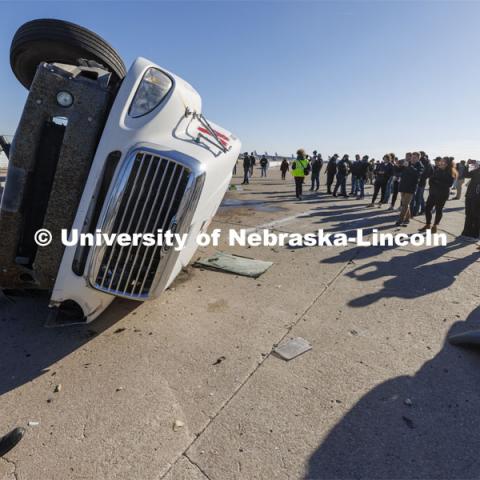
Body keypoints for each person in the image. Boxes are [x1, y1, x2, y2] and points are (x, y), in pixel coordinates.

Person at [418, 157, 456, 234]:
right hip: (433, 193)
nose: (441, 163)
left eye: (443, 162)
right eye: (441, 162)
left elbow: (448, 184)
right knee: (427, 208)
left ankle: (435, 226)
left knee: (439, 210)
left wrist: (436, 181)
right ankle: (428, 224)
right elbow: (431, 180)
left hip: (442, 194)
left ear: (447, 164)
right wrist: (435, 182)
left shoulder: (450, 172)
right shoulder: (437, 170)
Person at [396, 151, 423, 226]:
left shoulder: (420, 165)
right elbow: (399, 171)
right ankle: (407, 218)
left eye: (414, 157)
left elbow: (417, 174)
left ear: (418, 158)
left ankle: (401, 219)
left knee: (405, 204)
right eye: (412, 157)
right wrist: (398, 165)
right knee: (405, 204)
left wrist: (409, 166)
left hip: (410, 187)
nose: (412, 159)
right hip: (403, 186)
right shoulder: (408, 163)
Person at [461, 160, 480, 239]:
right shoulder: (476, 169)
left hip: (477, 196)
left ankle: (475, 234)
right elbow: (465, 175)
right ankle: (466, 231)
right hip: (469, 195)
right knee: (468, 213)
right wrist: (467, 165)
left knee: (476, 215)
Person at [410, 151, 432, 217]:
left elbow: (427, 172)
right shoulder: (428, 162)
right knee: (419, 197)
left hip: (420, 182)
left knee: (418, 197)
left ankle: (415, 212)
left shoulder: (423, 162)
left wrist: (421, 177)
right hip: (421, 181)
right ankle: (421, 209)